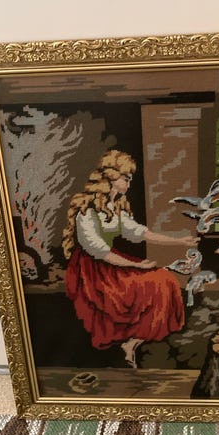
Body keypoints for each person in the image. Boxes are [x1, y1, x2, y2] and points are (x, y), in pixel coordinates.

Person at [62, 150, 199, 367]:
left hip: (113, 261)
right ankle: (127, 342)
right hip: (91, 268)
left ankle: (133, 343)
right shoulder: (87, 211)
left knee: (165, 279)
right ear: (111, 178)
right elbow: (98, 250)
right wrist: (135, 264)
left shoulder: (116, 207)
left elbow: (140, 233)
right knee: (143, 285)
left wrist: (179, 241)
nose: (129, 182)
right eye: (126, 177)